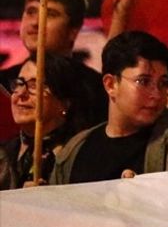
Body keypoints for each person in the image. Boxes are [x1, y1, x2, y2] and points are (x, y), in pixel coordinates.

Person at [51, 31, 168, 184]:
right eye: (143, 82)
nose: (156, 95)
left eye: (162, 83)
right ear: (111, 84)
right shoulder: (75, 148)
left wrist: (141, 194)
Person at [0, 0, 107, 141]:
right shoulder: (3, 84)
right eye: (31, 11)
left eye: (50, 14)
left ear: (73, 30)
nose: (36, 22)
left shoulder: (96, 91)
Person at [1, 55, 97, 188]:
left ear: (65, 103)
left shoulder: (80, 154)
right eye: (19, 83)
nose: (21, 94)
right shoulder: (5, 151)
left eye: (35, 85)